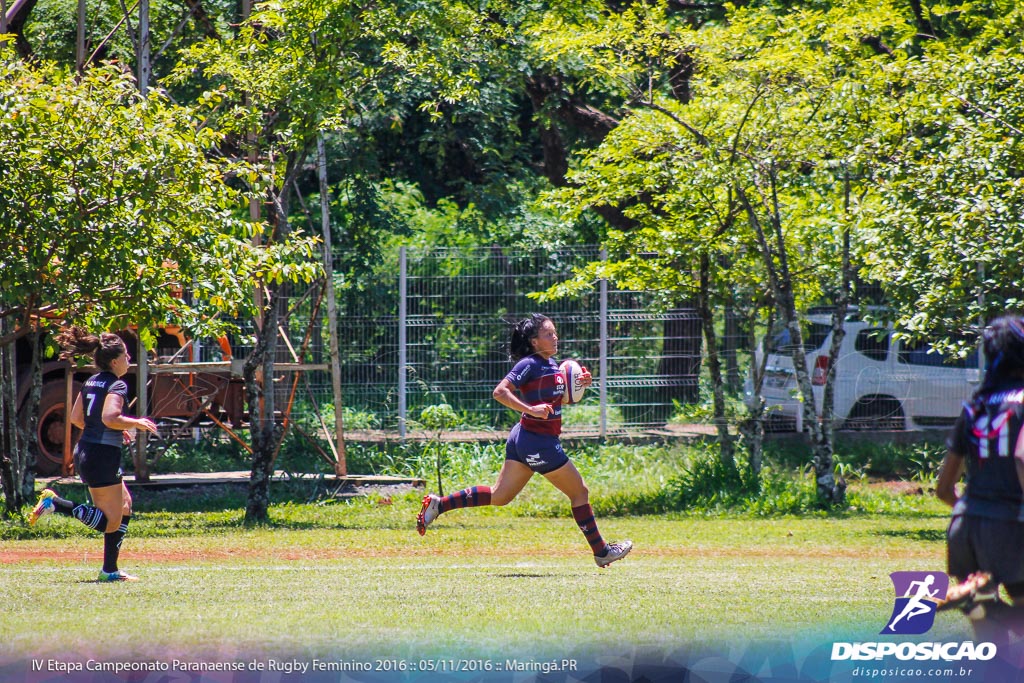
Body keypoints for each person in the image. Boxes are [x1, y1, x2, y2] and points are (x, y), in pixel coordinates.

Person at [416, 314, 633, 568]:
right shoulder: (529, 364)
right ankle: (602, 551)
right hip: (538, 441)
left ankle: (440, 504)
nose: (555, 337)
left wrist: (580, 384)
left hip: (525, 437)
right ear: (533, 342)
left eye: (554, 333)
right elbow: (500, 392)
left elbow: (558, 398)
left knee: (500, 496)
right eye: (548, 334)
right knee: (579, 492)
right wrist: (530, 409)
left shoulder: (552, 364)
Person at [29, 327, 158, 582]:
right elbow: (110, 416)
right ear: (114, 361)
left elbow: (77, 418)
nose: (129, 359)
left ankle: (110, 570)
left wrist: (112, 429)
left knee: (125, 506)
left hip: (89, 451)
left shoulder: (92, 381)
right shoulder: (117, 384)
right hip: (100, 456)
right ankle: (56, 504)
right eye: (126, 356)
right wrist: (136, 422)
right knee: (109, 522)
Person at [935, 315, 1024, 644]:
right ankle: (987, 603)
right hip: (1012, 526)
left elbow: (943, 488)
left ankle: (981, 601)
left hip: (965, 528)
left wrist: (974, 509)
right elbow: (1022, 458)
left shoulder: (975, 406)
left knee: (988, 645)